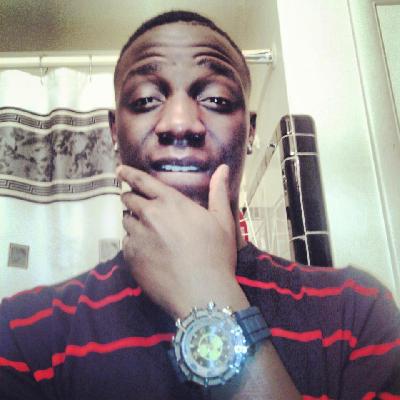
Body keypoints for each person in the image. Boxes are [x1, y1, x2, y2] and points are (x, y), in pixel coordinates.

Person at [0, 10, 399, 400]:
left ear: (250, 132)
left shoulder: (354, 311)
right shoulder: (23, 331)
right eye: (145, 99)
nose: (179, 123)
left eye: (216, 99)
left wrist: (210, 295)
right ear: (113, 133)